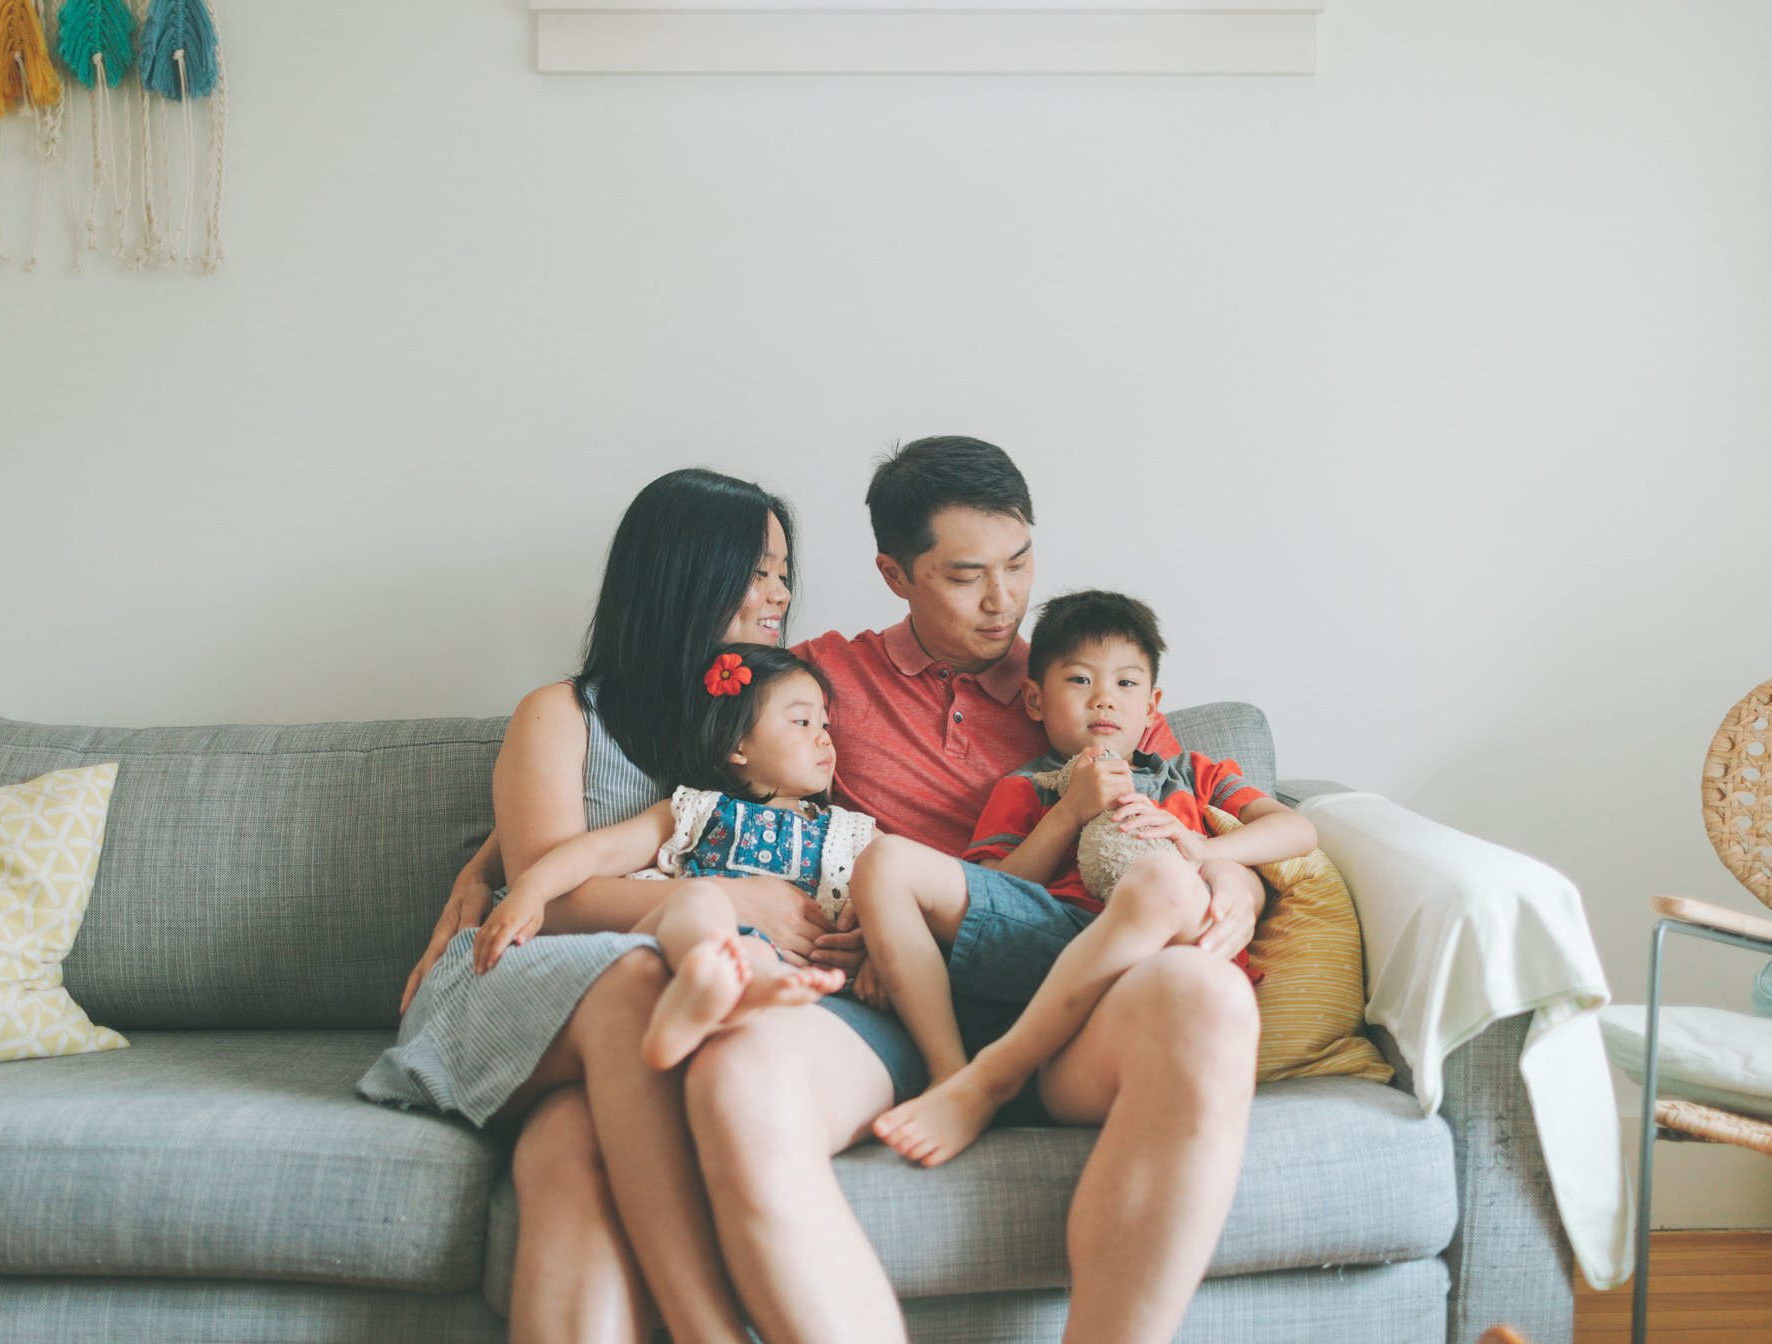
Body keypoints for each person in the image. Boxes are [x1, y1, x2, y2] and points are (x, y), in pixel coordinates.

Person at [679, 436, 1276, 1344]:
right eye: (965, 577)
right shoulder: (825, 677)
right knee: (737, 1081)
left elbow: (1188, 797)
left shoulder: (1078, 678)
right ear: (894, 573)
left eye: (1020, 562)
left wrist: (1232, 869)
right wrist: (502, 864)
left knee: (1213, 1000)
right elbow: (669, 759)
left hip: (1082, 998)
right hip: (897, 1002)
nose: (1005, 602)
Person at [377, 467, 904, 1344]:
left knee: (567, 1149)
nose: (779, 594)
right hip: (519, 973)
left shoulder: (765, 719)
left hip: (654, 1001)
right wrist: (727, 896)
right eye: (756, 570)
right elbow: (555, 895)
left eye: (783, 573)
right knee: (630, 985)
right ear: (681, 572)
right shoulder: (561, 714)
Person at [850, 588, 1319, 1167]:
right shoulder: (1026, 786)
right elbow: (994, 887)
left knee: (1163, 882)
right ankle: (953, 1077)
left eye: (1126, 684)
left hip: (1164, 958)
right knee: (885, 860)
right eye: (1078, 681)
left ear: (1153, 707)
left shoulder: (1193, 774)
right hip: (1059, 940)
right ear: (1034, 700)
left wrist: (1201, 849)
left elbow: (1295, 830)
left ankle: (993, 1077)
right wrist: (1070, 810)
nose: (1104, 700)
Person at [468, 644, 866, 1071]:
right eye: (802, 722)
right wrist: (531, 887)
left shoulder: (847, 831)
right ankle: (701, 984)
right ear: (737, 746)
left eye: (824, 723)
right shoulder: (699, 809)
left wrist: (871, 945)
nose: (824, 736)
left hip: (781, 968)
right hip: (675, 953)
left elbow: (897, 885)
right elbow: (599, 851)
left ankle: (738, 996)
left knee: (754, 955)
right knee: (699, 901)